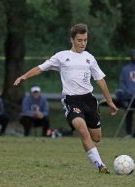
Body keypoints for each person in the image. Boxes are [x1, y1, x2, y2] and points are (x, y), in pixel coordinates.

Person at [13, 23, 118, 174]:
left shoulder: (90, 58)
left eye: (85, 40)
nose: (83, 43)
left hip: (89, 100)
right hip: (72, 100)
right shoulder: (62, 57)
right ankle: (100, 165)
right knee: (82, 130)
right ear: (72, 40)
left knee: (96, 137)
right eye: (79, 40)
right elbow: (41, 67)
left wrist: (109, 101)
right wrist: (24, 76)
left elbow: (100, 80)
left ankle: (95, 155)